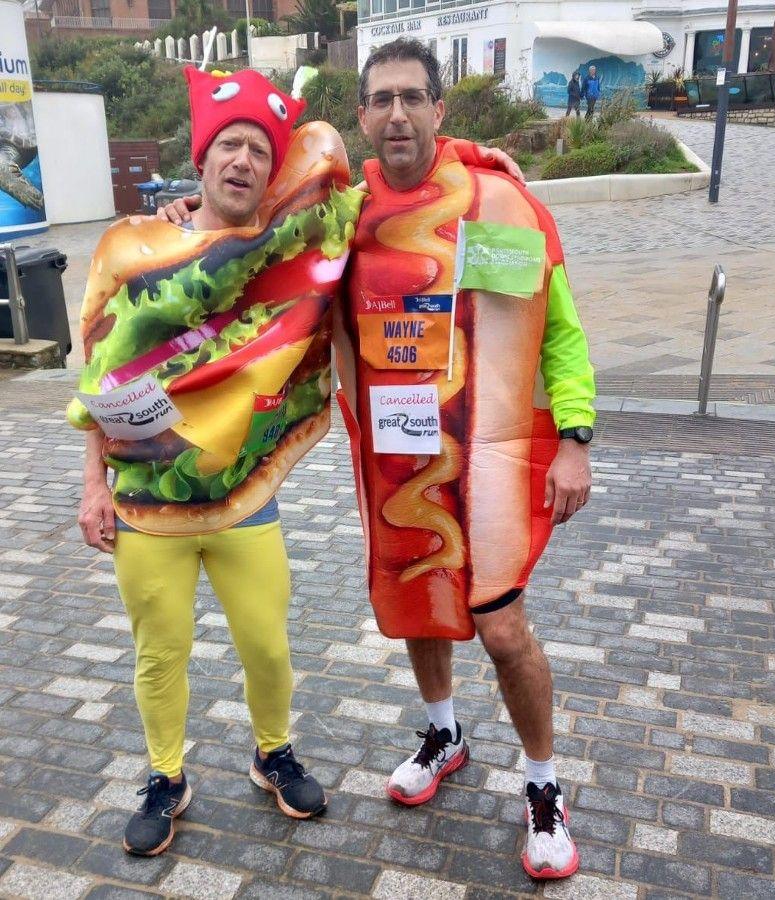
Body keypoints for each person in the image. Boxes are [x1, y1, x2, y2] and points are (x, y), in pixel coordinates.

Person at [73, 66, 353, 856]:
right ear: (199, 160)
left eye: (260, 152)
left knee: (267, 643)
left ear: (272, 170)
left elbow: (381, 196)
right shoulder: (136, 248)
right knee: (160, 653)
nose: (243, 161)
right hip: (144, 505)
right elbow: (97, 375)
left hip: (244, 499)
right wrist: (92, 484)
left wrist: (476, 155)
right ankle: (166, 778)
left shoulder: (280, 251)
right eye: (228, 145)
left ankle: (273, 753)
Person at [344, 38, 594, 881]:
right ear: (363, 116)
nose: (398, 114)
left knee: (502, 626)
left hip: (486, 462)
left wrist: (575, 440)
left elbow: (554, 329)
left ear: (440, 110)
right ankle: (445, 733)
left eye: (413, 97)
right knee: (422, 603)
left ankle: (543, 785)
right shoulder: (345, 217)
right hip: (397, 462)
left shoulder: (487, 206)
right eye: (381, 99)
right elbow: (260, 249)